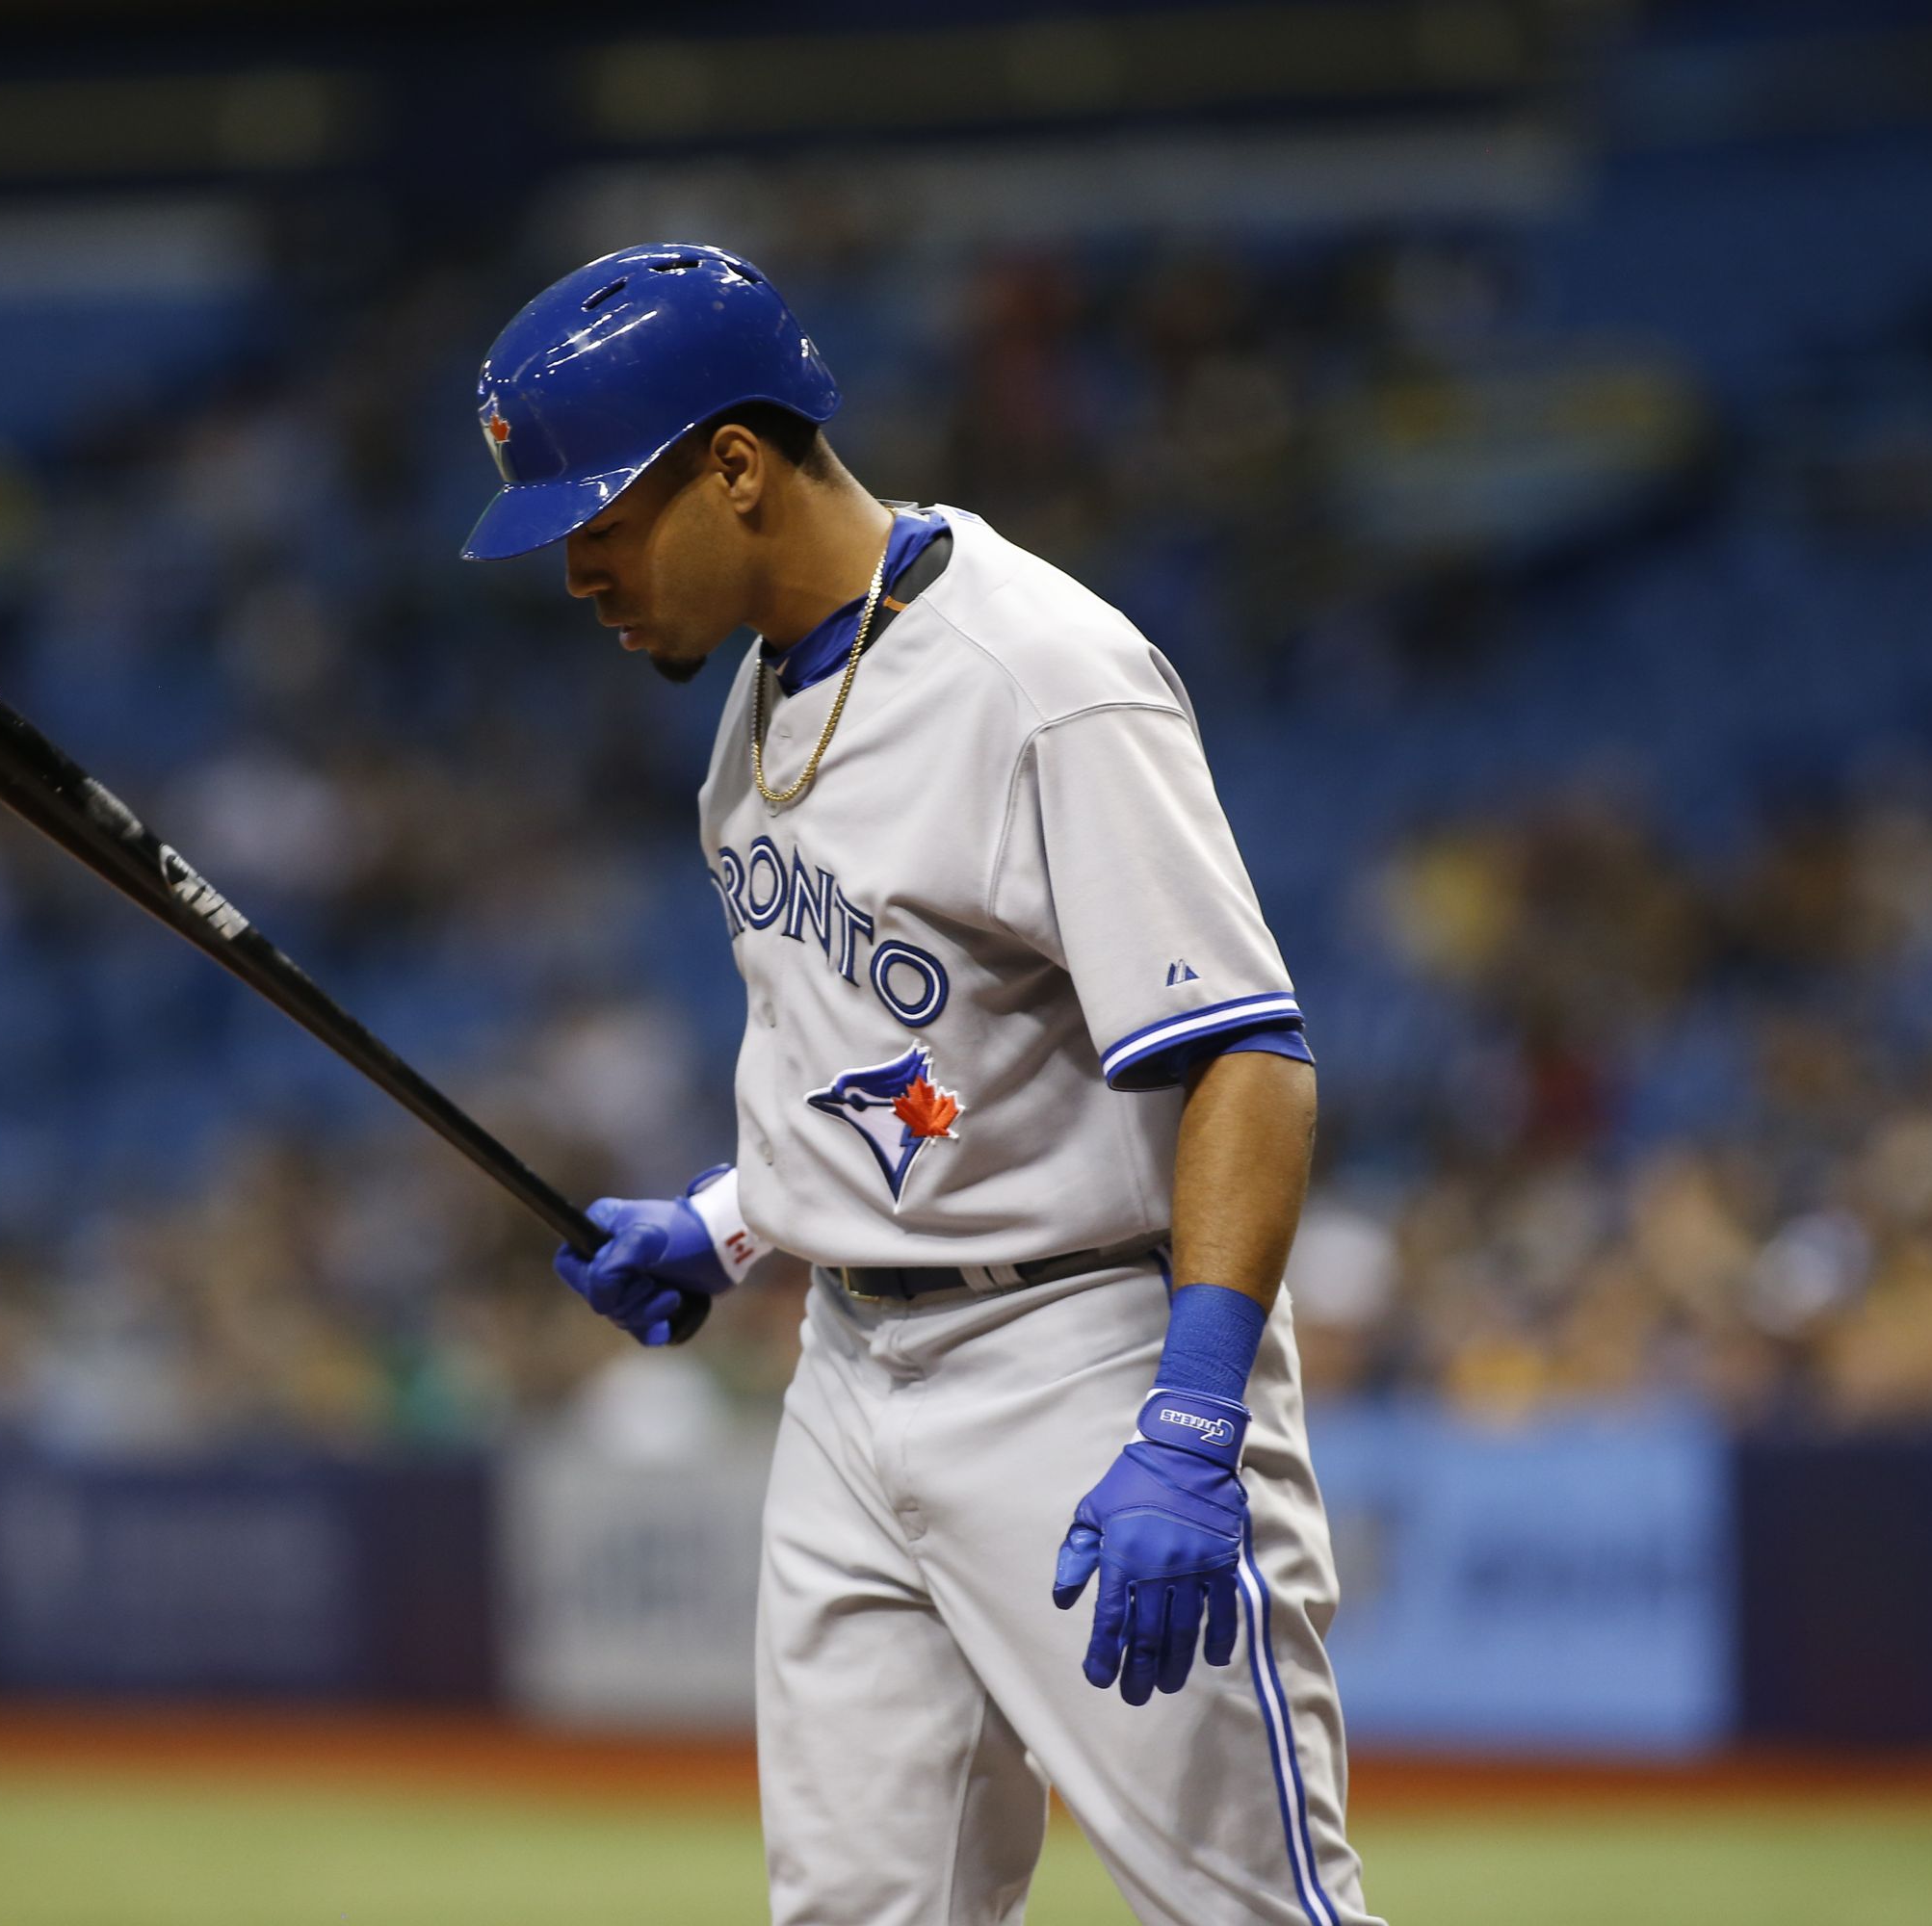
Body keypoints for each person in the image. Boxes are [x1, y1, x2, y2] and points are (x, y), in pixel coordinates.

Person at [465, 244, 1376, 1926]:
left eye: (599, 518)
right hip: (851, 1373)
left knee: (1244, 1913)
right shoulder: (758, 694)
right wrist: (735, 1225)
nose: (578, 569)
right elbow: (900, 1063)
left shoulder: (1043, 677)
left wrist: (1190, 1423)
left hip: (1087, 1368)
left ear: (735, 466)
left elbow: (1247, 1056)